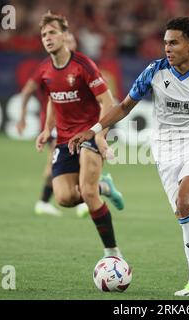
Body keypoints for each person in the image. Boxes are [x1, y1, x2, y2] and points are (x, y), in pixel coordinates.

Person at [68, 17, 189, 297]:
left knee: (185, 201)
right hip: (165, 151)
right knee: (186, 215)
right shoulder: (155, 71)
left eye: (174, 42)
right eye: (165, 43)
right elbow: (126, 105)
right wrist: (93, 130)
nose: (167, 48)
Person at [34, 11, 124, 258]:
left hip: (89, 134)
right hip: (64, 139)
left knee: (87, 192)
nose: (48, 38)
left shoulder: (84, 66)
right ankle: (105, 186)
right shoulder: (45, 71)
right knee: (64, 198)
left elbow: (108, 102)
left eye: (52, 32)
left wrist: (99, 135)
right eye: (44, 34)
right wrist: (47, 129)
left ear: (64, 36)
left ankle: (112, 254)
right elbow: (53, 98)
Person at [16, 31, 120, 218]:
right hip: (61, 128)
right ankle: (92, 192)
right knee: (53, 168)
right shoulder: (47, 67)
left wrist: (100, 130)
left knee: (83, 166)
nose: (69, 44)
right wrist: (43, 125)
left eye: (72, 41)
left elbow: (104, 99)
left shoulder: (84, 68)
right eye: (66, 40)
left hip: (84, 128)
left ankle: (85, 197)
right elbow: (47, 97)